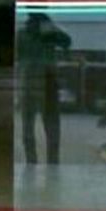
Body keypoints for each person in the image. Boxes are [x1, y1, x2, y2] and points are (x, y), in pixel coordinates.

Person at [17, 12, 71, 164]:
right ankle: (51, 160)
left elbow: (66, 41)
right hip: (45, 78)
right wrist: (52, 30)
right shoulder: (45, 35)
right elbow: (66, 42)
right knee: (50, 124)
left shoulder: (23, 34)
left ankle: (31, 160)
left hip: (30, 80)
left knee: (29, 124)